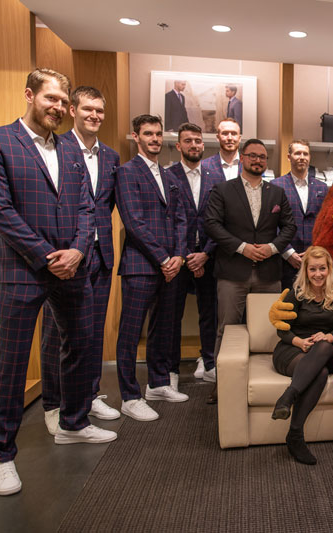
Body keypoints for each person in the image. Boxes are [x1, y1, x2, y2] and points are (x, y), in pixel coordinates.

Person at [0, 68, 115, 496]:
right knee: (13, 361)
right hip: (23, 268)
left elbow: (87, 208)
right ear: (29, 95)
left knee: (81, 345)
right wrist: (46, 256)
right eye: (50, 98)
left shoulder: (70, 149)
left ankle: (72, 423)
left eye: (62, 101)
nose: (57, 107)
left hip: (72, 266)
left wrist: (77, 250)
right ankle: (1, 454)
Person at [41, 85, 122, 434]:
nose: (94, 116)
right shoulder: (56, 147)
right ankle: (54, 403)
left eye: (100, 111)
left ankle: (87, 397)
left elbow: (106, 205)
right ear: (73, 110)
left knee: (90, 334)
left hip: (99, 256)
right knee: (57, 335)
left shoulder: (111, 157)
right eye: (88, 109)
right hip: (65, 256)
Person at [205, 139, 296, 403]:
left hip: (269, 273)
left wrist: (272, 247)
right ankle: (223, 386)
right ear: (242, 158)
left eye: (262, 157)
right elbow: (212, 224)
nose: (258, 160)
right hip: (232, 272)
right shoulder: (223, 190)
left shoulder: (276, 192)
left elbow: (289, 226)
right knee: (227, 329)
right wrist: (242, 247)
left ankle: (268, 380)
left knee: (270, 329)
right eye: (253, 155)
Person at [115, 114, 189, 422]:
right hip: (141, 265)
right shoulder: (126, 173)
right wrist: (163, 258)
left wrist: (179, 256)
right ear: (136, 137)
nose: (155, 139)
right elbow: (133, 222)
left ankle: (158, 383)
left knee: (164, 328)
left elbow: (182, 219)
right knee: (131, 333)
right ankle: (130, 396)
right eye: (148, 133)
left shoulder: (170, 176)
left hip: (171, 266)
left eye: (158, 133)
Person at [270, 246, 333, 464]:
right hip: (292, 349)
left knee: (324, 346)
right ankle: (295, 436)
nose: (318, 274)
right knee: (319, 373)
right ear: (305, 270)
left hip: (323, 351)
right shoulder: (296, 293)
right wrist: (300, 342)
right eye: (312, 269)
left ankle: (287, 397)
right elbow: (282, 330)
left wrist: (328, 336)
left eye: (322, 268)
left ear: (329, 269)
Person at [167, 123, 224, 386]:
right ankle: (171, 371)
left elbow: (222, 220)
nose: (194, 145)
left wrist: (205, 254)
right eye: (188, 140)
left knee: (210, 313)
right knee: (172, 315)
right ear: (178, 145)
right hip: (178, 258)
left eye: (198, 140)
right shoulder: (168, 176)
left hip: (209, 257)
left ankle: (210, 362)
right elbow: (168, 219)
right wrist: (186, 255)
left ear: (204, 144)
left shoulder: (216, 177)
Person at [271, 140, 329, 291]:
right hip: (286, 261)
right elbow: (271, 224)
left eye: (305, 154)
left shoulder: (322, 188)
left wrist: (315, 250)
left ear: (309, 157)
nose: (302, 157)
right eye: (297, 153)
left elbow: (326, 224)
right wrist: (288, 253)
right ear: (289, 157)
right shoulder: (276, 186)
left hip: (315, 262)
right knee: (288, 302)